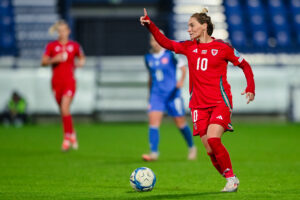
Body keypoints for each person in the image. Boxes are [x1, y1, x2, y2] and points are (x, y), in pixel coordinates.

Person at [140, 8, 255, 192]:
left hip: (220, 102)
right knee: (210, 150)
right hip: (198, 106)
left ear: (204, 26)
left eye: (192, 25)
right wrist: (150, 25)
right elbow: (166, 42)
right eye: (188, 26)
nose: (189, 29)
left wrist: (250, 87)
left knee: (214, 140)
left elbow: (245, 65)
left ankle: (231, 179)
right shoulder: (189, 46)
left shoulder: (223, 47)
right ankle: (229, 178)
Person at [142, 32, 197, 161]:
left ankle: (191, 147)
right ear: (150, 42)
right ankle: (154, 153)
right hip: (157, 95)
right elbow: (151, 76)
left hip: (172, 94)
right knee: (153, 122)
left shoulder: (170, 54)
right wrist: (149, 93)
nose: (155, 43)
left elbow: (183, 67)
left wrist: (181, 81)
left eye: (157, 40)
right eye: (153, 40)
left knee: (180, 123)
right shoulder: (148, 58)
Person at [41, 20, 86, 151]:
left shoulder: (74, 45)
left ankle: (66, 139)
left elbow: (82, 57)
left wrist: (81, 63)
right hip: (56, 83)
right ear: (57, 32)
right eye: (59, 31)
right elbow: (43, 62)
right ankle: (72, 133)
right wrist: (55, 59)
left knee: (65, 107)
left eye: (64, 30)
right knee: (63, 111)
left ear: (68, 31)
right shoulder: (51, 46)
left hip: (69, 82)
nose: (62, 33)